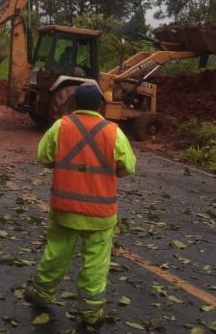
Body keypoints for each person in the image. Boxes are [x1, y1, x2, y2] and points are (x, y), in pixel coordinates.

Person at [25, 80, 136, 329]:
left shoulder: (60, 126)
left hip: (64, 209)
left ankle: (41, 295)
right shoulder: (113, 131)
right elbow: (128, 166)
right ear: (100, 105)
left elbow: (43, 157)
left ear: (74, 103)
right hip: (101, 213)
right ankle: (91, 312)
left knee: (55, 254)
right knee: (96, 263)